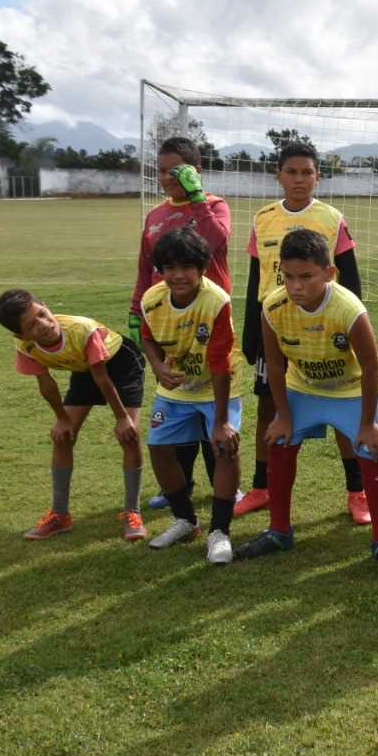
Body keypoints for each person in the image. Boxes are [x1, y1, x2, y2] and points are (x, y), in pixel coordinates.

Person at [234, 228, 378, 572]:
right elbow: (276, 363)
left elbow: (371, 367)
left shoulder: (348, 308)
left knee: (373, 450)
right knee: (278, 440)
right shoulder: (273, 305)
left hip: (351, 389)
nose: (296, 286)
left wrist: (368, 423)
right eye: (288, 276)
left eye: (306, 277)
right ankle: (279, 530)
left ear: (329, 273)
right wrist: (282, 414)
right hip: (304, 388)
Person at [236, 141, 370, 525]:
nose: (299, 179)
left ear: (317, 177)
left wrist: (352, 325)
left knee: (342, 401)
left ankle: (356, 489)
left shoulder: (331, 218)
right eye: (291, 172)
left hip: (328, 325)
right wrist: (251, 331)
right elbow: (255, 279)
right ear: (278, 176)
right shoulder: (263, 219)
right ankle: (262, 487)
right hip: (275, 324)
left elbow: (351, 278)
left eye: (307, 172)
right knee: (268, 404)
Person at [0, 288, 145, 541]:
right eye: (31, 325)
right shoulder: (24, 345)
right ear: (20, 334)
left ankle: (133, 512)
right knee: (63, 437)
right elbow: (46, 383)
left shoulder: (82, 330)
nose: (43, 325)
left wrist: (121, 418)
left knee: (129, 435)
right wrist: (62, 420)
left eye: (42, 314)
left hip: (120, 364)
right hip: (84, 367)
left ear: (45, 305)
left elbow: (102, 378)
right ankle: (60, 515)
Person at [131, 137, 232, 511]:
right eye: (160, 171)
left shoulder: (215, 206)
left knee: (211, 397)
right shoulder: (155, 216)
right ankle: (181, 483)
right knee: (179, 397)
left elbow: (214, 241)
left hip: (209, 314)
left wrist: (197, 198)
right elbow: (147, 267)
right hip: (166, 318)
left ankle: (223, 480)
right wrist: (135, 309)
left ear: (194, 171)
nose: (166, 178)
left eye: (174, 170)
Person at [137, 228, 245, 564]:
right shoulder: (151, 300)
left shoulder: (216, 302)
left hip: (218, 386)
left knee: (225, 448)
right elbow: (147, 339)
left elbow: (218, 362)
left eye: (186, 267)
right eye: (169, 267)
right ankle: (185, 520)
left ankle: (220, 532)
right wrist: (157, 367)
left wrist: (222, 421)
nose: (178, 275)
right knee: (158, 447)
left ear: (201, 268)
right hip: (176, 390)